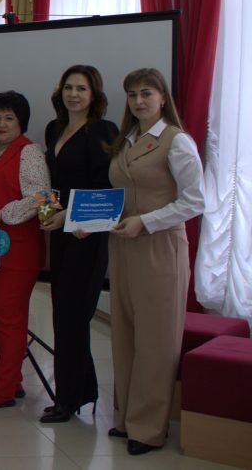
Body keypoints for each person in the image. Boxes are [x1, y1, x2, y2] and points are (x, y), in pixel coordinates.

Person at [106, 68, 204, 456]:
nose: (139, 101)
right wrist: (93, 221)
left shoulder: (177, 141)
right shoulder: (127, 140)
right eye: (132, 95)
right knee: (125, 334)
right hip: (123, 246)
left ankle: (148, 429)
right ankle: (127, 417)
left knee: (156, 340)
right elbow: (121, 196)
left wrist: (146, 222)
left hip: (160, 246)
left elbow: (195, 201)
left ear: (163, 97)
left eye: (146, 93)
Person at [39, 65, 118, 423]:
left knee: (73, 316)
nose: (73, 94)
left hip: (88, 234)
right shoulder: (54, 128)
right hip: (60, 233)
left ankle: (67, 399)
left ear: (94, 95)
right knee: (64, 314)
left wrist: (71, 217)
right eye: (68, 87)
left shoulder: (102, 130)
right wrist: (49, 212)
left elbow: (105, 187)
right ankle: (82, 391)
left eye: (81, 89)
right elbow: (52, 182)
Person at [0, 91, 50, 410]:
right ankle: (9, 379)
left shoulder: (29, 152)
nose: (1, 123)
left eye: (9, 118)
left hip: (17, 249)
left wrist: (3, 213)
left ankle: (2, 389)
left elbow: (42, 197)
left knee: (9, 319)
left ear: (21, 122)